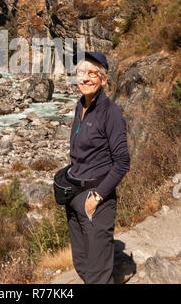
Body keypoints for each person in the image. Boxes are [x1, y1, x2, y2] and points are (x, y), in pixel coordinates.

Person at [65, 51, 130, 284]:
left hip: (96, 201)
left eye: (92, 73)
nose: (85, 78)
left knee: (98, 275)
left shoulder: (111, 113)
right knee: (81, 263)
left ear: (103, 79)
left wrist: (96, 198)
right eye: (81, 72)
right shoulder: (80, 106)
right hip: (74, 197)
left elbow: (122, 162)